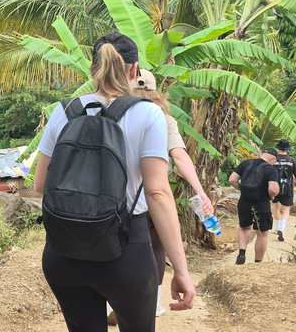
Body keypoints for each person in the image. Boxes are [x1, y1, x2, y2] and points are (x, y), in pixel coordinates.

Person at [33, 33, 195, 332]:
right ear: (135, 71)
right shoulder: (149, 115)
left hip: (63, 251)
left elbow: (40, 184)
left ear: (93, 69)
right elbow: (157, 193)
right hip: (125, 252)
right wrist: (181, 270)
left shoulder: (64, 110)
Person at [129, 69, 214, 318]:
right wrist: (201, 191)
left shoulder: (113, 112)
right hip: (153, 196)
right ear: (156, 92)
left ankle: (112, 301)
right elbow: (179, 155)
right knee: (156, 246)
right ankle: (153, 301)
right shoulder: (163, 119)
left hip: (117, 196)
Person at [229, 148, 280, 264]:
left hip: (244, 202)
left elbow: (232, 180)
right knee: (262, 233)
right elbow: (273, 189)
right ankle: (258, 262)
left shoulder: (246, 163)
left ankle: (242, 253)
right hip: (262, 203)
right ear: (272, 158)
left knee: (245, 228)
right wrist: (271, 196)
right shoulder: (271, 169)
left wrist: (243, 190)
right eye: (274, 161)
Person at [271, 139, 296, 241]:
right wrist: (295, 183)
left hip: (275, 187)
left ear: (278, 148)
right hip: (287, 187)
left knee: (276, 207)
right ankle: (283, 229)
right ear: (287, 149)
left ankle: (277, 228)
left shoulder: (274, 160)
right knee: (286, 209)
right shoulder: (292, 160)